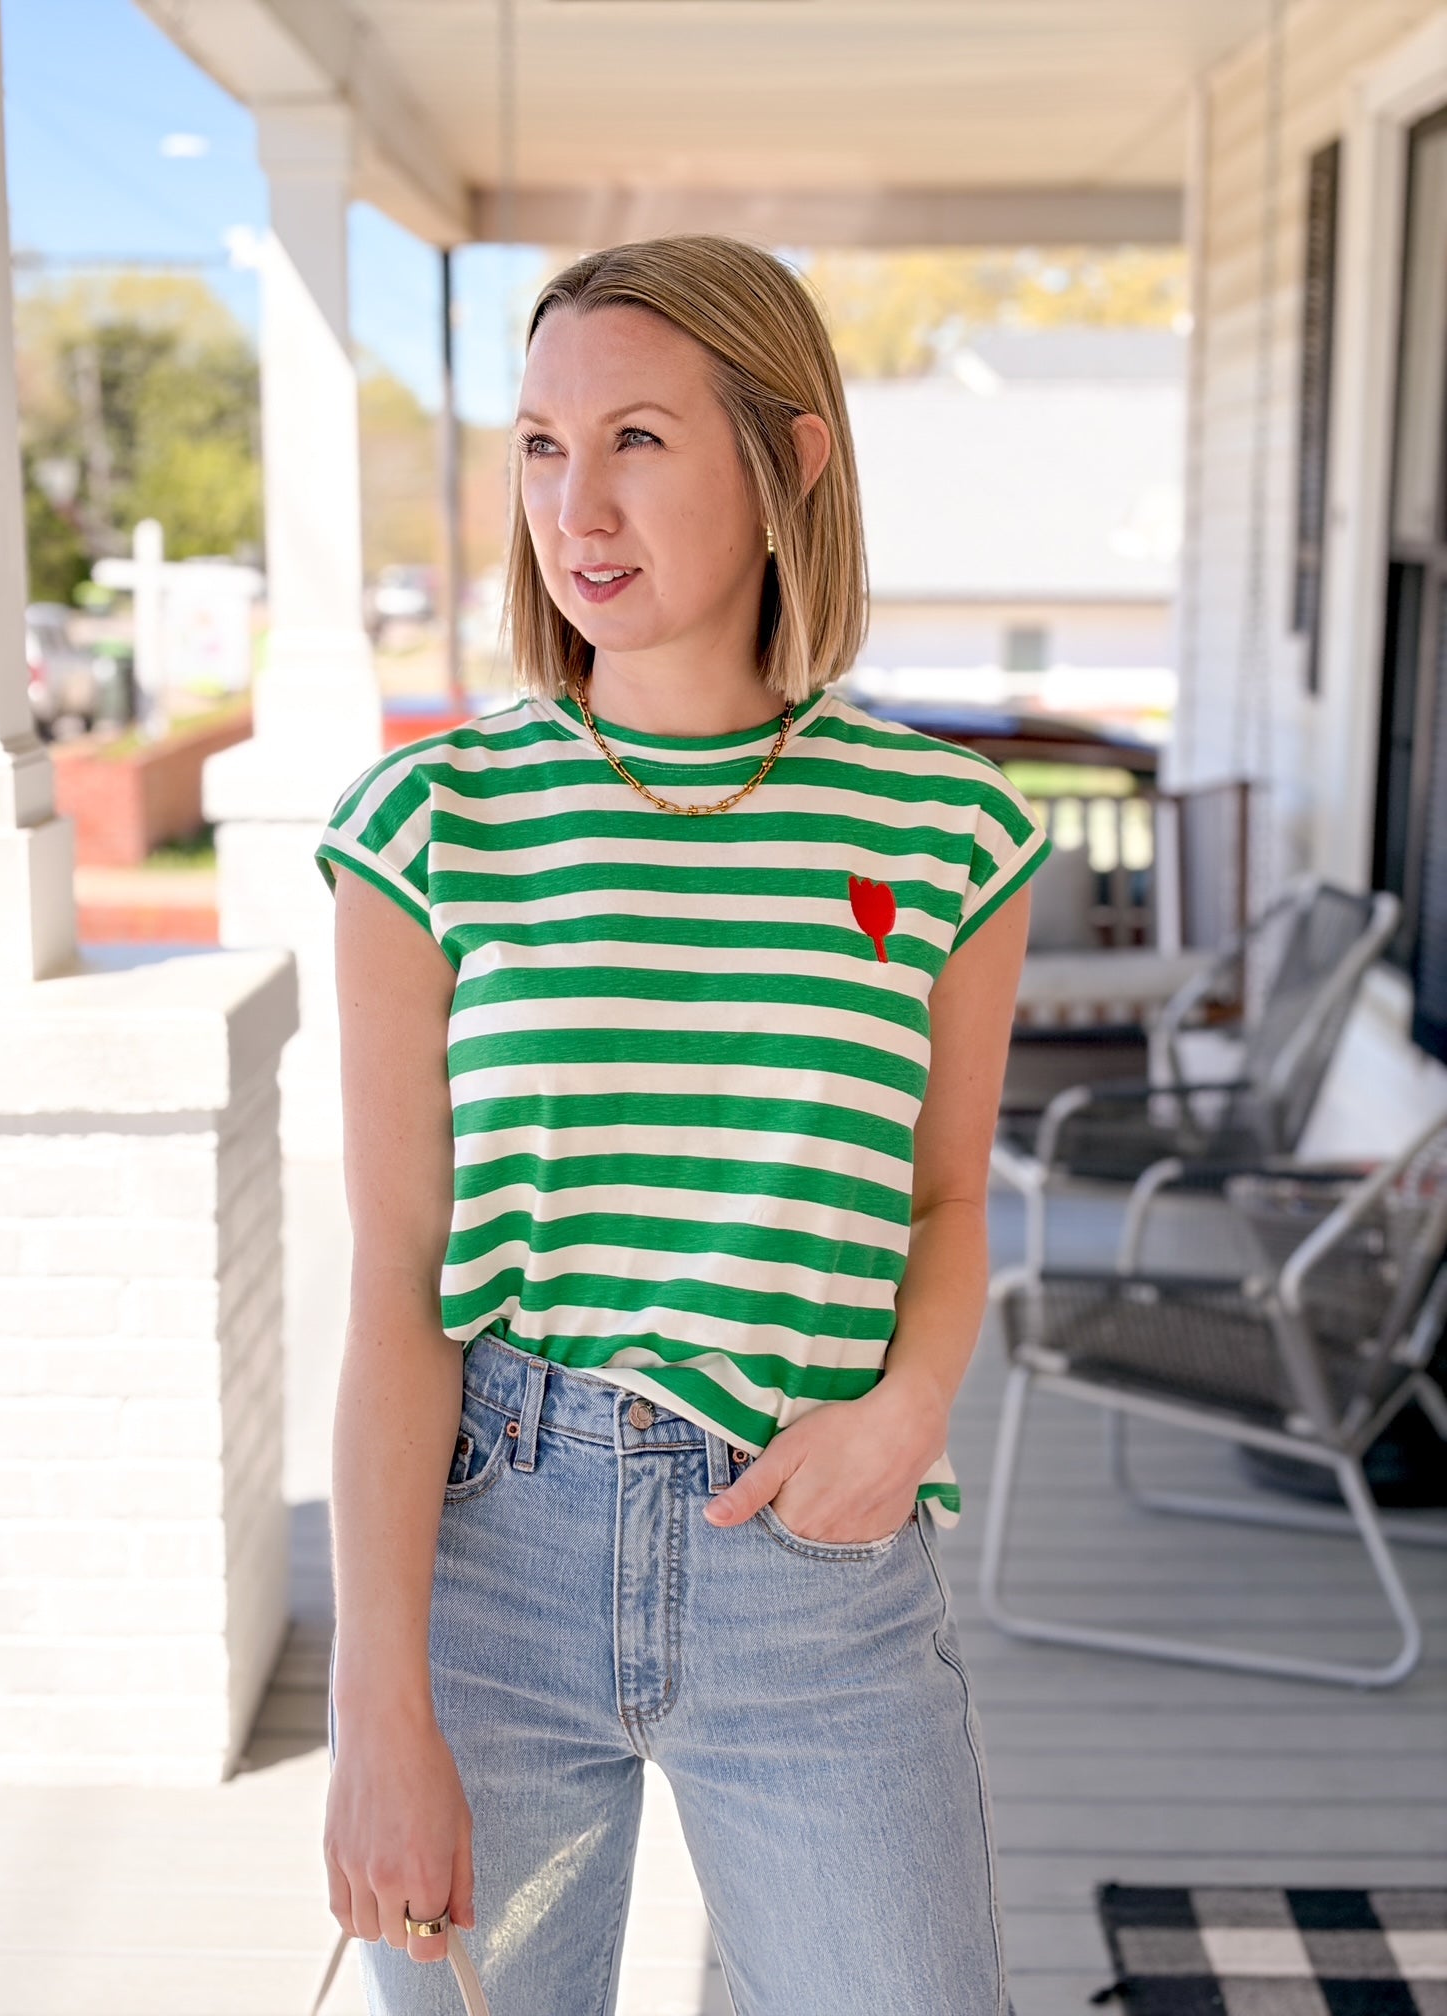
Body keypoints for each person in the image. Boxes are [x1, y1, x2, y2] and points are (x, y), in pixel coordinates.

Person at [315, 234, 1051, 2016]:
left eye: (639, 437)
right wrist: (374, 1706)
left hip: (812, 1559)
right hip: (492, 1544)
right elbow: (398, 1278)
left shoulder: (947, 826)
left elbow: (950, 1201)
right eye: (543, 447)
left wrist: (907, 1413)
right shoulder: (434, 821)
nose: (580, 505)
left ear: (789, 458)